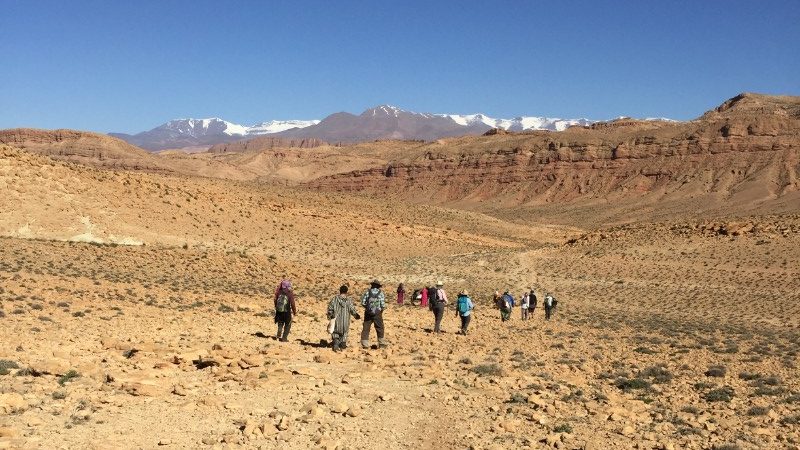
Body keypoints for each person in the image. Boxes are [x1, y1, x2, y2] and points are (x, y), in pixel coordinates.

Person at [327, 285, 360, 352]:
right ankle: (343, 344)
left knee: (335, 332)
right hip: (345, 322)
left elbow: (330, 309)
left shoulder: (334, 299)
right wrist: (356, 315)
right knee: (344, 333)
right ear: (346, 291)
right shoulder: (348, 300)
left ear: (340, 291)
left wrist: (330, 316)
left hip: (336, 321)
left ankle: (336, 342)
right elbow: (352, 309)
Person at [360, 279, 387, 349]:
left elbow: (363, 302)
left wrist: (367, 308)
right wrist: (381, 310)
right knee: (380, 327)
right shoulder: (381, 293)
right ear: (378, 286)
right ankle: (381, 344)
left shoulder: (367, 292)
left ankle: (365, 344)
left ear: (372, 285)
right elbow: (383, 305)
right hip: (377, 313)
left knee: (366, 327)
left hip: (368, 313)